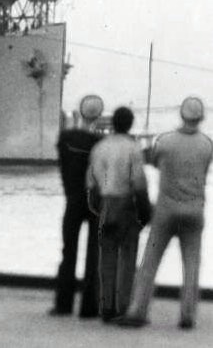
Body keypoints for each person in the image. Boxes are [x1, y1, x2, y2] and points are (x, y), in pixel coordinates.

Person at [119, 97, 213, 329]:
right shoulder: (207, 144)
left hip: (166, 210)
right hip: (194, 211)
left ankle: (138, 310)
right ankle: (187, 315)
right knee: (191, 264)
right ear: (201, 117)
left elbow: (151, 160)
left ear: (181, 114)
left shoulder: (165, 141)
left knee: (150, 261)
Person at [86, 106, 149, 322]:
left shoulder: (99, 148)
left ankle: (106, 307)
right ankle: (123, 307)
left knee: (107, 257)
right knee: (127, 258)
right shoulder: (133, 148)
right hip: (126, 204)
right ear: (130, 124)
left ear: (113, 123)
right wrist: (145, 211)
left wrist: (98, 207)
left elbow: (91, 182)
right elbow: (139, 182)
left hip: (105, 204)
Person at [49, 95, 105, 318]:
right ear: (99, 115)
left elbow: (62, 166)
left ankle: (63, 304)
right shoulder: (100, 143)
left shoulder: (66, 137)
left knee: (68, 251)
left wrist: (69, 191)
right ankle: (89, 307)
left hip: (72, 199)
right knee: (93, 254)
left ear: (80, 112)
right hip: (94, 202)